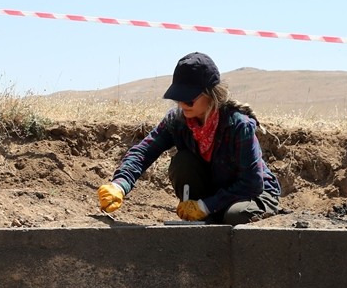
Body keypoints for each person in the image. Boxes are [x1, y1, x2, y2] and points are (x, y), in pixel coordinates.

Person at [97, 52, 281, 225]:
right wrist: (119, 185)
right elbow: (144, 151)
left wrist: (205, 206)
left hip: (251, 195)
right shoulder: (176, 121)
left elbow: (251, 183)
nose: (182, 104)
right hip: (213, 196)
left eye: (188, 99)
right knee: (183, 162)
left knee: (236, 215)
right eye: (178, 98)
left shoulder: (239, 125)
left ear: (210, 95)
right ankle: (206, 221)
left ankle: (218, 216)